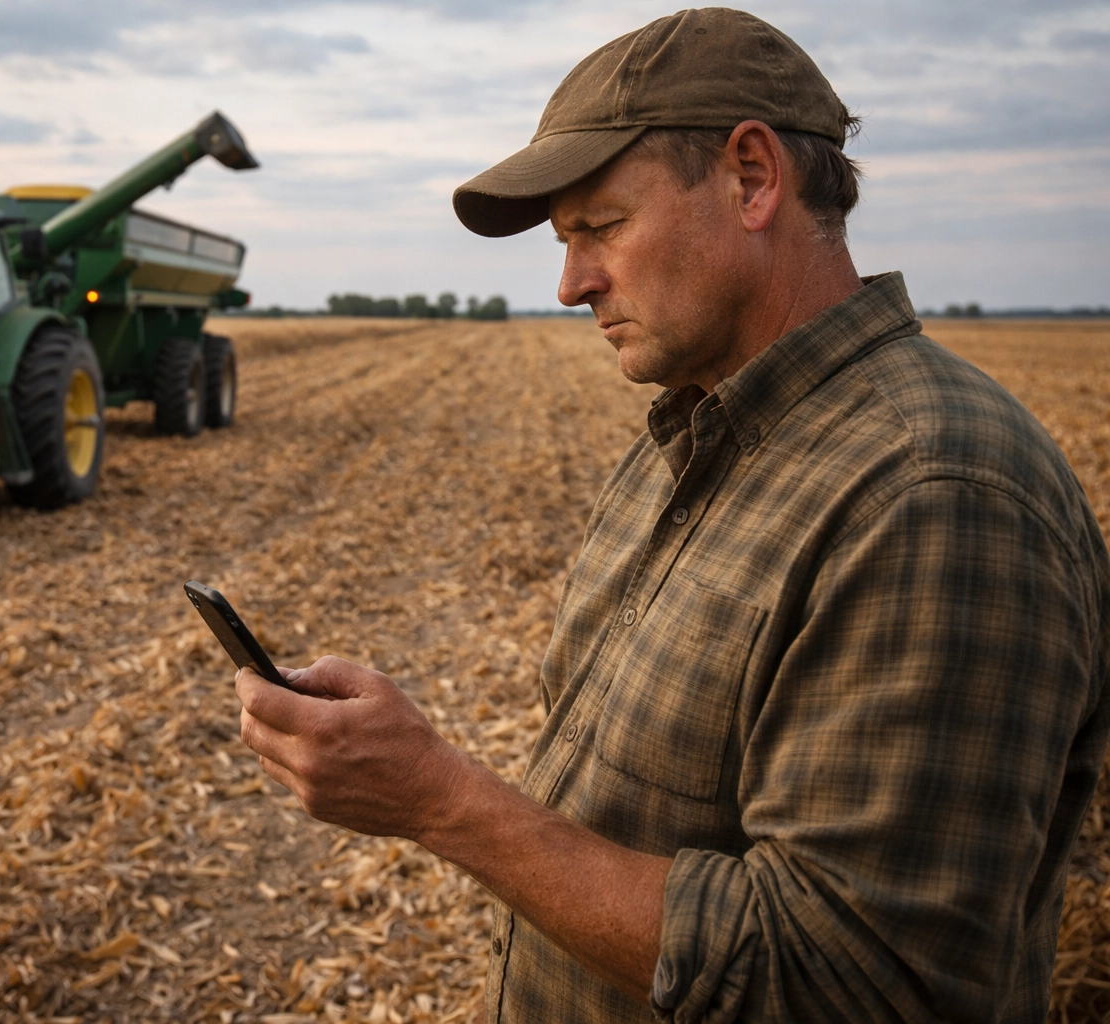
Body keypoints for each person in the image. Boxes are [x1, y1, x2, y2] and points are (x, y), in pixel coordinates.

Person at [235, 8, 1110, 1022]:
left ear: (751, 178)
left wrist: (441, 800)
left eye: (599, 227)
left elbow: (854, 983)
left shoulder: (935, 496)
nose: (570, 284)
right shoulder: (695, 440)